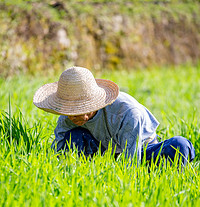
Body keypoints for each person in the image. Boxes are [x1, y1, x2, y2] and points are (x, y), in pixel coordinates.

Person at [33, 66, 195, 166]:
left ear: (91, 103)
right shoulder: (67, 119)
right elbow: (58, 151)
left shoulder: (127, 113)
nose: (72, 116)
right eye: (68, 110)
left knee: (179, 145)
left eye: (77, 109)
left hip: (141, 151)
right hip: (104, 152)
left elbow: (131, 162)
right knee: (72, 137)